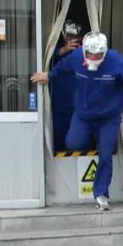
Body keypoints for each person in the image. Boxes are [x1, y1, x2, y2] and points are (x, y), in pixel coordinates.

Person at [32, 31, 123, 210]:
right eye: (89, 54)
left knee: (105, 156)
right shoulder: (76, 57)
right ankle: (93, 139)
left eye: (97, 55)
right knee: (73, 142)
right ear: (84, 51)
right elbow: (63, 67)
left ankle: (101, 193)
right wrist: (49, 75)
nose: (93, 58)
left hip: (108, 118)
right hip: (83, 115)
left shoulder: (115, 60)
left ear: (104, 53)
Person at [47, 21, 83, 153]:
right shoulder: (54, 52)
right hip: (57, 106)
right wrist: (63, 50)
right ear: (63, 36)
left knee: (77, 144)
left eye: (75, 36)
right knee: (57, 143)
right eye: (69, 36)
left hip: (77, 107)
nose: (72, 39)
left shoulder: (83, 52)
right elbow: (45, 60)